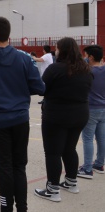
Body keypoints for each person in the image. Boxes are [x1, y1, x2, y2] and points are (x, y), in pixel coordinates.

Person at [0, 17, 45, 211]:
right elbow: (39, 87)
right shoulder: (24, 58)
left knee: (4, 168)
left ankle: (6, 207)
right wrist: (20, 89)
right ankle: (22, 207)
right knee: (19, 166)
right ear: (8, 35)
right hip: (20, 119)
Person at [34, 37, 92, 202]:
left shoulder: (55, 69)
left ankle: (52, 189)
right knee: (69, 148)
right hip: (80, 114)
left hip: (57, 115)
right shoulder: (86, 69)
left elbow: (41, 89)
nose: (55, 51)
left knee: (53, 152)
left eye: (57, 48)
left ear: (62, 50)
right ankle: (71, 182)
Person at [77, 45, 105, 178]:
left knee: (88, 138)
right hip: (103, 108)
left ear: (91, 57)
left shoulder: (87, 71)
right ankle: (99, 164)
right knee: (101, 138)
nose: (85, 58)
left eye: (86, 55)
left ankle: (87, 168)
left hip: (91, 108)